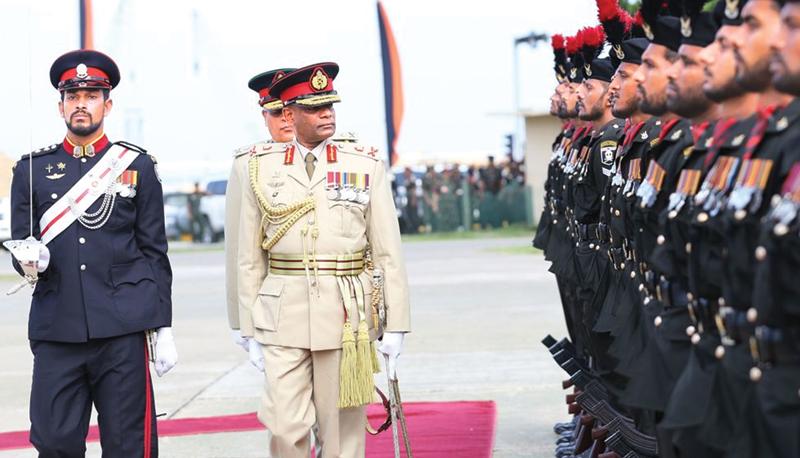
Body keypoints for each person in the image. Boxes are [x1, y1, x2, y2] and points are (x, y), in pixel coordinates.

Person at [236, 62, 411, 458]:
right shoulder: (258, 170)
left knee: (341, 434)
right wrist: (247, 326)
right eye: (314, 108)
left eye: (329, 105)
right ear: (289, 114)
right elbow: (248, 258)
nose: (327, 113)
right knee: (284, 426)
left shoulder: (363, 165)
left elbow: (388, 252)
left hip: (346, 312)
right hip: (282, 313)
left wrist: (396, 324)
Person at [9, 49, 176, 457]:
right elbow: (21, 243)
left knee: (128, 444)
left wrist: (163, 326)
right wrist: (29, 259)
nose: (81, 104)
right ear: (61, 105)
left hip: (123, 328)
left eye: (91, 95)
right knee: (54, 442)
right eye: (73, 96)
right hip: (57, 326)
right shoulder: (30, 169)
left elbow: (154, 250)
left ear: (107, 103)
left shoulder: (134, 164)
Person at [226, 68, 295, 369]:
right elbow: (239, 251)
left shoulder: (339, 158)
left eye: (290, 111)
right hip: (276, 303)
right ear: (264, 116)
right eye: (276, 113)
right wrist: (241, 320)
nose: (285, 120)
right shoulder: (248, 165)